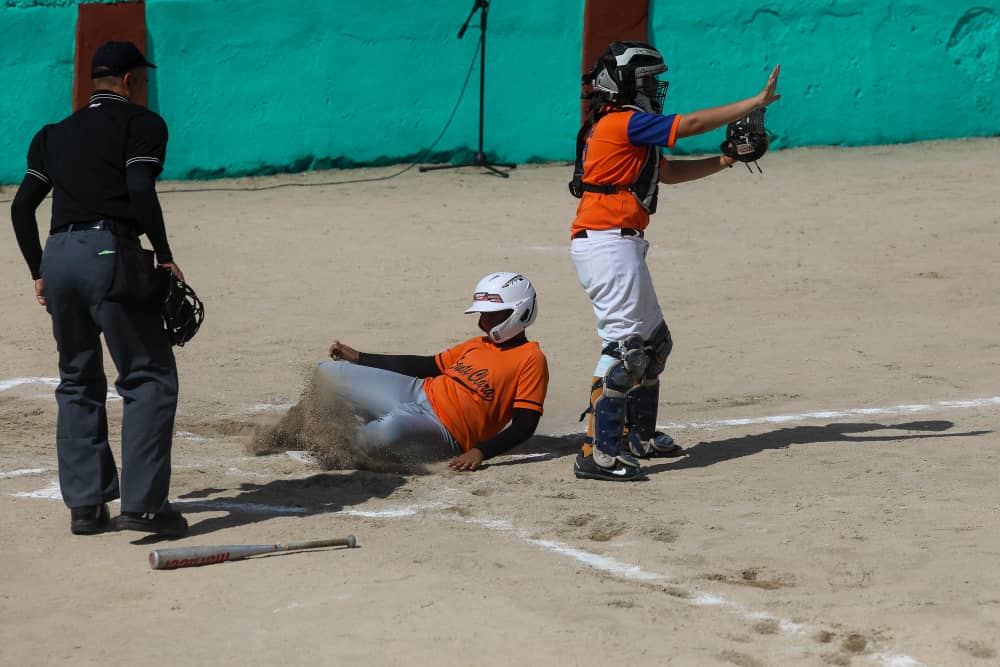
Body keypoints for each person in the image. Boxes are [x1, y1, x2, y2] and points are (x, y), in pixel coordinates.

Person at [568, 41, 781, 481]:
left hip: (619, 242)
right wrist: (755, 102)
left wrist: (726, 160)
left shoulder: (627, 129)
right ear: (626, 84)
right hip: (606, 244)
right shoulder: (622, 122)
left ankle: (638, 438)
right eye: (648, 80)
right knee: (625, 350)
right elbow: (691, 124)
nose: (655, 87)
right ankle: (597, 453)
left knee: (653, 345)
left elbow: (666, 173)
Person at [9, 41, 188, 536]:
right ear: (130, 81)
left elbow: (22, 208)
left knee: (76, 378)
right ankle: (145, 505)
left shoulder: (53, 134)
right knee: (148, 375)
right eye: (143, 80)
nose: (146, 88)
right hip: (110, 251)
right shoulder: (141, 124)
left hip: (58, 256)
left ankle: (86, 507)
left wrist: (37, 271)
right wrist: (166, 254)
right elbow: (138, 188)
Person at [319, 272, 548, 470]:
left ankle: (326, 441)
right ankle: (304, 424)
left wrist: (481, 451)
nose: (485, 322)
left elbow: (524, 425)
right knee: (326, 372)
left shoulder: (531, 359)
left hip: (444, 430)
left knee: (389, 428)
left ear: (520, 312)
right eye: (482, 315)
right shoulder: (477, 343)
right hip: (418, 392)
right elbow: (427, 366)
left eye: (493, 314)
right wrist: (360, 358)